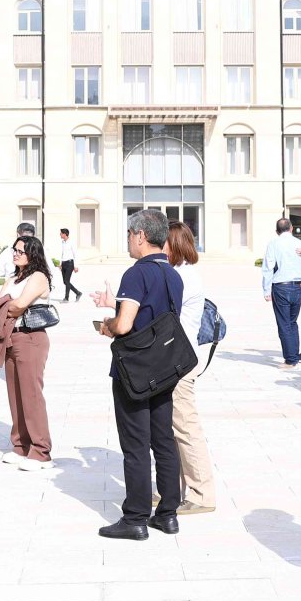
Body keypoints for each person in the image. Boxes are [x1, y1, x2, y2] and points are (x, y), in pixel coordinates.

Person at [92, 209, 184, 539]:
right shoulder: (173, 274)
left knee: (135, 444)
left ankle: (135, 518)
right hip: (165, 367)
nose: (129, 241)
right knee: (163, 440)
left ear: (141, 236)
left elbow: (125, 324)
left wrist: (107, 325)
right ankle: (168, 514)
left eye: (130, 235)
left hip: (135, 370)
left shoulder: (136, 273)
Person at [165, 220, 214, 513]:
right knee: (170, 429)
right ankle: (171, 488)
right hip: (172, 360)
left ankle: (201, 494)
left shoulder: (184, 277)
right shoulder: (178, 273)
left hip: (181, 363)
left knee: (185, 428)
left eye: (162, 242)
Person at [0, 233, 55, 470]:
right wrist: (8, 306)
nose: (16, 254)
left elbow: (19, 305)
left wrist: (7, 306)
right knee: (15, 394)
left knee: (31, 394)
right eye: (15, 250)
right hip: (11, 337)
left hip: (31, 338)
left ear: (32, 254)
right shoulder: (13, 278)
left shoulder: (38, 276)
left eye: (21, 251)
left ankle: (41, 451)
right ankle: (21, 445)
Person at [261, 218, 301, 367]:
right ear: (292, 228)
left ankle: (290, 359)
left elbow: (268, 268)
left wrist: (266, 290)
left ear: (277, 231)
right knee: (292, 323)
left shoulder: (273, 244)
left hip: (281, 287)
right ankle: (294, 355)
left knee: (284, 324)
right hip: (297, 286)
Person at [57, 227, 83, 302]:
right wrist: (60, 263)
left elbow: (75, 254)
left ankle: (66, 298)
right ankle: (78, 293)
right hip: (63, 263)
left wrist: (76, 266)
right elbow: (62, 253)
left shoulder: (71, 242)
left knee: (66, 281)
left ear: (65, 234)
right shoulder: (62, 242)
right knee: (65, 282)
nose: (60, 234)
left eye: (61, 233)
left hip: (70, 263)